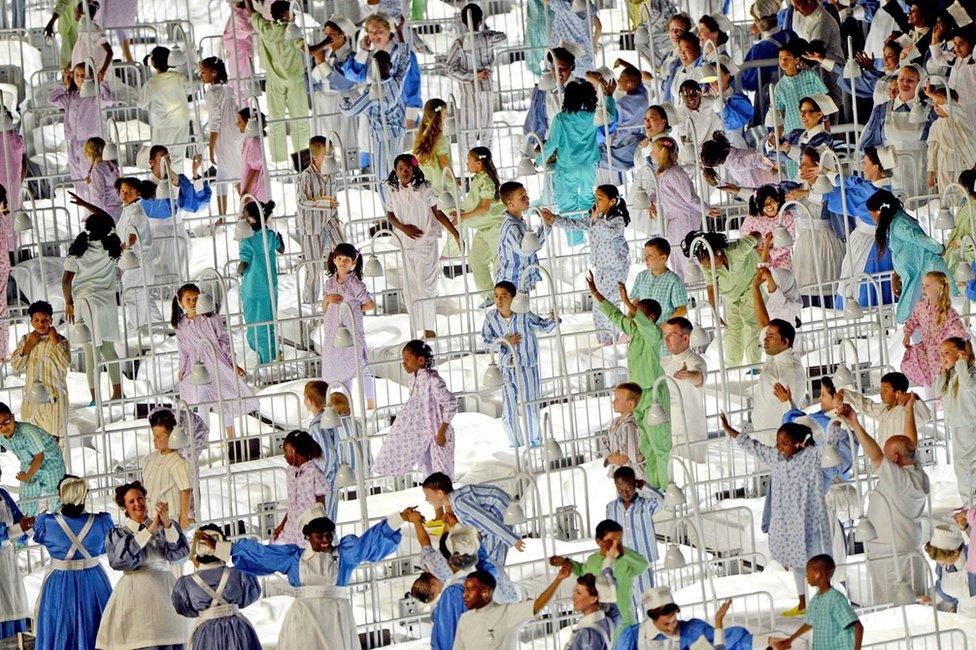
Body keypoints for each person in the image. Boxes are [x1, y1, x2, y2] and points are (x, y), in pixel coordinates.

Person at [212, 503, 407, 649]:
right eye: (318, 535)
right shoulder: (293, 558)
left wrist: (398, 518)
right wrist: (221, 548)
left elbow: (369, 543)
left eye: (328, 534)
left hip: (335, 619)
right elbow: (262, 554)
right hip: (304, 618)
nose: (325, 540)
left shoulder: (344, 555)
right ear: (307, 537)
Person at [720, 415, 832, 616]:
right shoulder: (776, 458)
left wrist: (834, 422)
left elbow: (829, 442)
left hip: (809, 520)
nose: (780, 447)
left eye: (785, 443)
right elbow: (753, 446)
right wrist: (729, 429)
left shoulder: (811, 456)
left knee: (816, 561)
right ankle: (803, 603)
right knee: (797, 564)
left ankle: (825, 601)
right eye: (778, 443)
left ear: (799, 443)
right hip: (787, 522)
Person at [836, 402, 931, 604]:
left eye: (889, 457)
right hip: (898, 547)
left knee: (895, 605)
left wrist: (855, 422)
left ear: (895, 459)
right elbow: (910, 442)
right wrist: (908, 411)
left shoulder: (900, 480)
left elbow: (876, 455)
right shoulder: (916, 472)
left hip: (893, 554)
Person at [586, 273, 670, 490]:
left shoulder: (654, 334)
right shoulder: (635, 332)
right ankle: (653, 484)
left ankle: (665, 485)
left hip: (653, 394)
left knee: (659, 443)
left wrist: (627, 302)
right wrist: (596, 294)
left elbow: (641, 321)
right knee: (645, 443)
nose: (632, 316)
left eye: (638, 313)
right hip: (638, 396)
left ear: (649, 318)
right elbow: (616, 317)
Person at [95, 482, 189, 650]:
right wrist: (150, 529)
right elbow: (119, 561)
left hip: (164, 589)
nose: (137, 503)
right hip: (135, 591)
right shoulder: (119, 534)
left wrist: (167, 524)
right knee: (141, 638)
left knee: (170, 637)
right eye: (131, 501)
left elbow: (179, 554)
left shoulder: (164, 527)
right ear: (124, 507)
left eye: (140, 498)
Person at [172, 283, 260, 456]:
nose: (192, 302)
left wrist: (233, 364)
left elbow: (224, 341)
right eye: (188, 299)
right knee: (202, 401)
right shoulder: (181, 325)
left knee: (223, 403)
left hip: (216, 363)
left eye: (195, 298)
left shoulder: (211, 319)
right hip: (196, 368)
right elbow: (183, 350)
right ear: (181, 303)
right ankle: (202, 439)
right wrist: (182, 369)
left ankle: (231, 439)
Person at [384, 154, 461, 339]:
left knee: (425, 284)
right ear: (396, 170)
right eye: (401, 168)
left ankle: (429, 329)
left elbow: (438, 213)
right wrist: (403, 228)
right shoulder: (391, 189)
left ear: (414, 169)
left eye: (408, 168)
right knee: (410, 286)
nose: (405, 171)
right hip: (405, 243)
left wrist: (455, 233)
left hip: (425, 242)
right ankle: (416, 327)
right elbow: (390, 214)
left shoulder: (424, 188)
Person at [33, 476, 115, 650]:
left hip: (59, 581)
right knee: (96, 622)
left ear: (61, 496)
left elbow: (39, 537)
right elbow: (103, 549)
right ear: (84, 497)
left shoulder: (46, 523)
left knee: (60, 624)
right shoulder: (101, 522)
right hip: (93, 579)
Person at [542, 185, 629, 343]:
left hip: (615, 269)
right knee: (599, 305)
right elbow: (575, 224)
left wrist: (596, 221)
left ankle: (613, 339)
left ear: (612, 201)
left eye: (600, 198)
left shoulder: (617, 220)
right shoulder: (594, 217)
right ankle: (606, 339)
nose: (596, 201)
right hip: (602, 268)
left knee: (605, 304)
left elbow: (609, 233)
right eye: (595, 197)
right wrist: (554, 219)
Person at [539, 78, 617, 244]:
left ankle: (576, 242)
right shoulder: (593, 116)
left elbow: (551, 144)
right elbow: (610, 117)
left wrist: (539, 160)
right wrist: (609, 96)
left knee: (568, 206)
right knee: (590, 203)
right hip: (589, 167)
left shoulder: (561, 119)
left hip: (567, 168)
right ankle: (596, 238)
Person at [481, 280, 555, 448]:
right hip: (506, 368)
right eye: (496, 296)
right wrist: (503, 342)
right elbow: (486, 340)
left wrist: (554, 318)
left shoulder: (523, 315)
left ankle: (534, 443)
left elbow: (543, 326)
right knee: (508, 411)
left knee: (530, 406)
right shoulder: (491, 318)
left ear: (513, 298)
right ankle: (516, 445)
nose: (499, 300)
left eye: (504, 296)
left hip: (527, 366)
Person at [60, 210, 122, 404]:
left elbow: (65, 281)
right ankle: (118, 393)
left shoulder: (78, 250)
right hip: (106, 303)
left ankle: (95, 398)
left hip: (84, 303)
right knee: (109, 350)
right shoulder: (113, 248)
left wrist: (68, 302)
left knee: (90, 353)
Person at [866, 189, 954, 324]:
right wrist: (896, 274)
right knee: (917, 317)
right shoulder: (894, 223)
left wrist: (939, 248)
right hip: (919, 273)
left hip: (925, 272)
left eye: (871, 213)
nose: (871, 218)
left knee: (912, 316)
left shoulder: (899, 224)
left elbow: (921, 239)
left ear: (879, 211)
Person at [373, 341, 457, 477]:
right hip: (421, 434)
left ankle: (445, 496)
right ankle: (432, 497)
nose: (403, 363)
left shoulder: (433, 380)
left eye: (407, 359)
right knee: (428, 472)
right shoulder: (413, 380)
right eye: (403, 359)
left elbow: (451, 404)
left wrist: (442, 431)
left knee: (442, 474)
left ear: (420, 360)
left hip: (437, 433)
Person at [171, 526, 261, 650]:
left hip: (206, 635)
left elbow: (185, 610)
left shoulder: (187, 584)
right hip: (238, 631)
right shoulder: (240, 574)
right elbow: (251, 596)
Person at [550, 519, 650, 629]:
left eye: (619, 540)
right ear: (599, 542)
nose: (616, 544)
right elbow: (583, 571)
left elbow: (643, 565)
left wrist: (622, 551)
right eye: (612, 540)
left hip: (624, 623)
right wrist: (566, 562)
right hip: (599, 623)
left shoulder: (626, 560)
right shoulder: (593, 560)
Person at [242, 0, 309, 161]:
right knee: (299, 120)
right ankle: (302, 159)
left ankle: (278, 158)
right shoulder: (292, 32)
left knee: (276, 119)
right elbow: (309, 50)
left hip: (273, 81)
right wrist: (328, 41)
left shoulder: (266, 29)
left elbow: (252, 12)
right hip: (295, 81)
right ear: (285, 15)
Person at [830, 146, 896, 308]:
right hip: (870, 239)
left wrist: (816, 190)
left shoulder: (875, 191)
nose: (862, 166)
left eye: (865, 163)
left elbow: (845, 199)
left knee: (862, 280)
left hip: (870, 243)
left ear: (876, 167)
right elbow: (854, 183)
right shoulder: (878, 187)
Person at [685, 231, 761, 366]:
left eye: (713, 264)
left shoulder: (737, 249)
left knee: (750, 322)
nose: (711, 268)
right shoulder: (706, 265)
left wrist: (759, 245)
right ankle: (733, 366)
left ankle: (754, 365)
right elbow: (711, 288)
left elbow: (756, 235)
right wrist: (715, 311)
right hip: (731, 295)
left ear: (719, 252)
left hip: (752, 285)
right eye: (707, 266)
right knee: (733, 328)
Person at [421, 472, 526, 567]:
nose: (426, 499)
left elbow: (486, 520)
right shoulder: (458, 500)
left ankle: (494, 582)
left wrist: (513, 539)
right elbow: (477, 523)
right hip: (499, 514)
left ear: (440, 494)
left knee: (491, 562)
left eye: (428, 495)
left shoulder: (459, 502)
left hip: (499, 513)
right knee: (489, 560)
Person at [452, 565, 571, 649]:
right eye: (465, 590)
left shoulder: (506, 613)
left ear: (485, 592)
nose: (464, 595)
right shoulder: (464, 620)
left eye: (469, 590)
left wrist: (558, 580)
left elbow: (538, 604)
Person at [646, 137, 714, 277]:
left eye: (654, 150)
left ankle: (699, 282)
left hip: (684, 217)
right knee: (676, 255)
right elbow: (657, 190)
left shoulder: (674, 173)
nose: (651, 153)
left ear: (662, 152)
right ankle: (684, 288)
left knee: (686, 254)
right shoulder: (663, 173)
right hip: (675, 218)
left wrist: (707, 210)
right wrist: (651, 201)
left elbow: (689, 197)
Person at [770, 554, 864, 649]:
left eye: (808, 572)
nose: (806, 576)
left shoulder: (836, 599)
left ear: (817, 574)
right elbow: (809, 623)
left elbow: (858, 627)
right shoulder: (817, 599)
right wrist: (790, 639)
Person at [605, 466, 663, 619]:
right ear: (616, 487)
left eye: (629, 487)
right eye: (621, 489)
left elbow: (662, 501)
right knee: (627, 607)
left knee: (647, 603)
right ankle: (633, 638)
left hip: (642, 562)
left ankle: (650, 636)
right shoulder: (611, 508)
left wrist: (643, 485)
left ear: (635, 484)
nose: (625, 493)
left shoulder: (645, 505)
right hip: (622, 563)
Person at [322, 243, 375, 408]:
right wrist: (327, 299)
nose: (342, 262)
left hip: (351, 330)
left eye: (346, 260)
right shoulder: (330, 283)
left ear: (353, 262)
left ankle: (371, 403)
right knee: (343, 368)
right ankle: (348, 404)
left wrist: (354, 309)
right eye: (339, 259)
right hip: (333, 329)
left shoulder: (354, 283)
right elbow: (324, 309)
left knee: (361, 366)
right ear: (334, 260)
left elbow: (370, 304)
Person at [49, 62, 111, 198]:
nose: (79, 78)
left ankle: (93, 205)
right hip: (73, 141)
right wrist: (64, 83)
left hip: (89, 143)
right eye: (76, 75)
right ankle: (85, 207)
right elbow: (52, 99)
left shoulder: (94, 96)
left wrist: (101, 82)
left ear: (90, 77)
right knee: (76, 175)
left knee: (88, 173)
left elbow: (108, 100)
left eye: (83, 75)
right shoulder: (70, 96)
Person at [614, 588, 750, 649]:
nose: (672, 627)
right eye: (666, 624)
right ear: (652, 619)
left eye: (674, 621)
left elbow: (731, 641)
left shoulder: (691, 630)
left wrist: (766, 641)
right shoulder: (632, 636)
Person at [10, 301, 70, 441]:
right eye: (36, 320)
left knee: (55, 443)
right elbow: (15, 365)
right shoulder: (26, 339)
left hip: (54, 401)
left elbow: (63, 363)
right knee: (33, 443)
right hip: (32, 400)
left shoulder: (61, 341)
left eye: (44, 320)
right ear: (31, 322)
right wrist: (29, 344)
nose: (41, 324)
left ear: (51, 320)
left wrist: (54, 339)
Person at [902, 271, 969, 392]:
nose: (924, 288)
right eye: (923, 285)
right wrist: (907, 335)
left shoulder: (948, 311)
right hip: (926, 349)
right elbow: (912, 321)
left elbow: (958, 329)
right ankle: (931, 403)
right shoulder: (920, 306)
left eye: (928, 285)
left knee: (941, 381)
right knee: (927, 380)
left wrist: (964, 344)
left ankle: (942, 403)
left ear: (939, 287)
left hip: (941, 352)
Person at [454, 147, 505, 305]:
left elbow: (484, 208)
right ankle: (490, 295)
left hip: (495, 227)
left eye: (468, 161)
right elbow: (475, 204)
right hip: (484, 228)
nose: (466, 164)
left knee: (499, 263)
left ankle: (504, 297)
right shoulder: (478, 179)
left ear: (478, 164)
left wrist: (462, 217)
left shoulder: (486, 181)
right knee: (476, 259)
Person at [238, 199, 284, 364]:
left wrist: (238, 270)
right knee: (269, 322)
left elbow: (243, 266)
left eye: (245, 217)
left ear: (251, 220)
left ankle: (265, 360)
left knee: (256, 326)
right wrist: (281, 239)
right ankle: (273, 354)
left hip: (253, 289)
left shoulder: (247, 241)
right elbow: (281, 249)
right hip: (271, 287)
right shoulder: (270, 236)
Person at [297, 136, 342, 303]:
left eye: (331, 152)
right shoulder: (306, 177)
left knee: (344, 254)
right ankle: (310, 304)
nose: (330, 156)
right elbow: (302, 200)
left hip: (330, 221)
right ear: (316, 156)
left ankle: (345, 294)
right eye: (327, 153)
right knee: (314, 268)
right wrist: (325, 202)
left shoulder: (332, 173)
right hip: (311, 226)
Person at [837, 371, 929, 447]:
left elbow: (925, 417)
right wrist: (844, 394)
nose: (881, 393)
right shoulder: (883, 410)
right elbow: (866, 406)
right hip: (885, 460)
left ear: (899, 392)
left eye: (885, 390)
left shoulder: (907, 412)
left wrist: (914, 397)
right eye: (881, 390)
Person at [751, 319, 807, 445]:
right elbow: (762, 324)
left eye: (770, 336)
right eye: (766, 336)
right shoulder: (774, 356)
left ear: (785, 342)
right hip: (762, 437)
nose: (765, 340)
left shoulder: (791, 372)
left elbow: (794, 414)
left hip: (777, 442)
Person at [201, 57, 243, 217]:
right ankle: (223, 214)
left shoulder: (212, 93)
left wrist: (211, 146)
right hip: (234, 134)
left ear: (213, 73)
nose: (201, 75)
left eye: (203, 72)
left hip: (223, 137)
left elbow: (215, 120)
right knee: (224, 175)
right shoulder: (228, 89)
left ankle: (250, 209)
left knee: (232, 176)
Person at [661, 317, 708, 460]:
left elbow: (699, 378)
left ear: (685, 338)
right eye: (665, 335)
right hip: (667, 429)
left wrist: (688, 375)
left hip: (690, 431)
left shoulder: (695, 361)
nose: (666, 339)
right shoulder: (663, 362)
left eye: (671, 335)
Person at [937, 337, 976, 507]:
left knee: (969, 467)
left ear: (960, 353)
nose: (943, 357)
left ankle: (971, 505)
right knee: (961, 468)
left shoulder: (968, 372)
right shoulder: (952, 375)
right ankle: (968, 504)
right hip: (958, 426)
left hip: (969, 426)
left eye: (947, 353)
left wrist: (962, 362)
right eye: (941, 354)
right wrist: (944, 371)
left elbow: (968, 386)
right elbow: (939, 389)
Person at [138, 47, 192, 168]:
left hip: (163, 124)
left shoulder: (152, 83)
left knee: (162, 158)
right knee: (178, 157)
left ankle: (166, 184)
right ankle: (178, 183)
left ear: (152, 62)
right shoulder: (178, 77)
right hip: (182, 121)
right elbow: (190, 89)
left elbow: (141, 104)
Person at [273, 430, 326, 547]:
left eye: (286, 451)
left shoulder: (314, 472)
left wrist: (319, 531)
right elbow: (292, 505)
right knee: (277, 545)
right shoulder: (291, 472)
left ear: (294, 449)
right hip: (291, 526)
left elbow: (320, 504)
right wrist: (282, 526)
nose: (284, 456)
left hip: (308, 526)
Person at [142, 410, 193, 530]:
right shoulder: (149, 460)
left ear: (171, 436)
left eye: (159, 436)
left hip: (169, 518)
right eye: (154, 436)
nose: (155, 440)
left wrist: (184, 517)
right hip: (150, 516)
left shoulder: (178, 463)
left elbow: (185, 490)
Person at [496, 181, 547, 293]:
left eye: (526, 194)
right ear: (511, 204)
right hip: (511, 285)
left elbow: (531, 246)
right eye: (522, 197)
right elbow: (527, 251)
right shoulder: (511, 227)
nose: (527, 198)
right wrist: (546, 225)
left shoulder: (520, 223)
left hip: (521, 282)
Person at [700, 131, 779, 201]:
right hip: (761, 179)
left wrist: (771, 167)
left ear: (716, 164)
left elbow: (757, 158)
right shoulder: (731, 153)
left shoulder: (733, 163)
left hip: (766, 178)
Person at [773, 39, 829, 135]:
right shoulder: (779, 87)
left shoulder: (811, 76)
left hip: (815, 129)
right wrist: (778, 137)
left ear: (796, 60)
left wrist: (827, 124)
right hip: (792, 131)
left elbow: (825, 102)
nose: (783, 62)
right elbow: (779, 114)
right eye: (780, 58)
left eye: (788, 58)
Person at [922, 522, 976, 612]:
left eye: (944, 562)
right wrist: (932, 599)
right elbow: (944, 589)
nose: (941, 565)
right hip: (963, 616)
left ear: (955, 552)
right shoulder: (943, 567)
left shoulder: (972, 560)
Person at [630, 239, 688, 322]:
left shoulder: (674, 281)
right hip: (643, 330)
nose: (646, 258)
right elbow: (635, 302)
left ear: (663, 258)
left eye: (650, 255)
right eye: (645, 254)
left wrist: (664, 328)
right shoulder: (641, 277)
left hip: (663, 332)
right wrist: (628, 323)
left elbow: (682, 309)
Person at [0, 481, 30, 639]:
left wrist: (27, 525)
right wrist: (18, 529)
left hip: (6, 557)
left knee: (8, 601)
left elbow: (18, 518)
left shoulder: (3, 494)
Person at [412, 98, 454, 197]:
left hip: (431, 187)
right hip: (445, 187)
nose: (447, 115)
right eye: (445, 112)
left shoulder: (423, 134)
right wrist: (454, 180)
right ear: (438, 115)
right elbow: (444, 162)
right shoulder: (440, 137)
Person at [603, 384, 644, 479]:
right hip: (617, 472)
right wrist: (610, 458)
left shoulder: (630, 425)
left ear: (630, 404)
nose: (613, 402)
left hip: (631, 476)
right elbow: (605, 443)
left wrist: (618, 459)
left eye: (618, 399)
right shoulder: (615, 422)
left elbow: (628, 455)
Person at [221, 0, 254, 105]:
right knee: (239, 82)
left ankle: (244, 110)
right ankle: (243, 109)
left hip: (239, 50)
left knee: (240, 83)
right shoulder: (240, 12)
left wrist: (236, 37)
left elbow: (247, 29)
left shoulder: (238, 14)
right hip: (238, 50)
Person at [235, 108, 270, 203]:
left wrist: (246, 192)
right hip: (251, 192)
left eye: (240, 121)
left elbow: (255, 170)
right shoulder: (249, 140)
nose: (237, 125)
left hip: (255, 193)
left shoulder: (254, 142)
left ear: (248, 123)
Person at [81, 136, 120, 219]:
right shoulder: (112, 167)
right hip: (117, 211)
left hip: (106, 213)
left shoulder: (97, 170)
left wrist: (95, 216)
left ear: (88, 154)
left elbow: (97, 197)